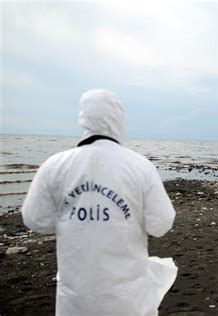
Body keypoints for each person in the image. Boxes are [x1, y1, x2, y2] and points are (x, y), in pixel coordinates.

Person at [21, 89, 177, 316]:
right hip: (128, 301)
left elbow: (35, 219)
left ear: (82, 118)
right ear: (118, 118)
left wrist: (75, 219)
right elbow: (161, 224)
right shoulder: (140, 167)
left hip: (75, 300)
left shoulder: (55, 165)